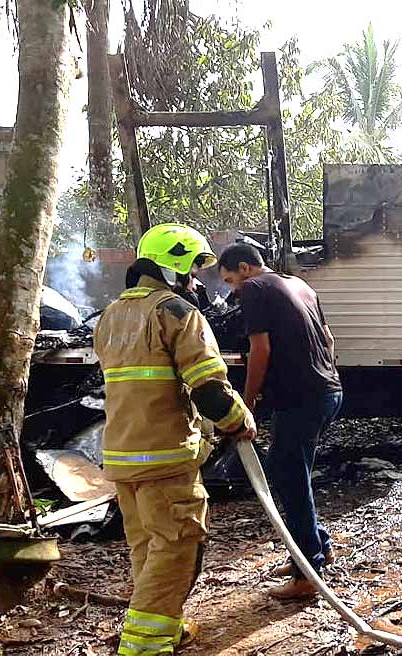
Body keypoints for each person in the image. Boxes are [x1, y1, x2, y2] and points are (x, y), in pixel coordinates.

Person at [94, 224, 256, 655]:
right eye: (190, 273)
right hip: (166, 458)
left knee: (148, 548)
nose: (194, 283)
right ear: (173, 269)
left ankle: (166, 626)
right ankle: (144, 646)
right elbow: (208, 389)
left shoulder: (111, 316)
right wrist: (239, 420)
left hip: (123, 457)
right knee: (177, 548)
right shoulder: (177, 314)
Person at [217, 242, 343, 600]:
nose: (232, 290)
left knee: (288, 475)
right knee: (292, 474)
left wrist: (247, 402)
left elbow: (261, 350)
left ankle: (308, 574)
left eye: (230, 280)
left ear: (245, 268)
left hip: (302, 398)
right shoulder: (301, 285)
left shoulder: (255, 289)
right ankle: (316, 546)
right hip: (329, 392)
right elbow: (329, 340)